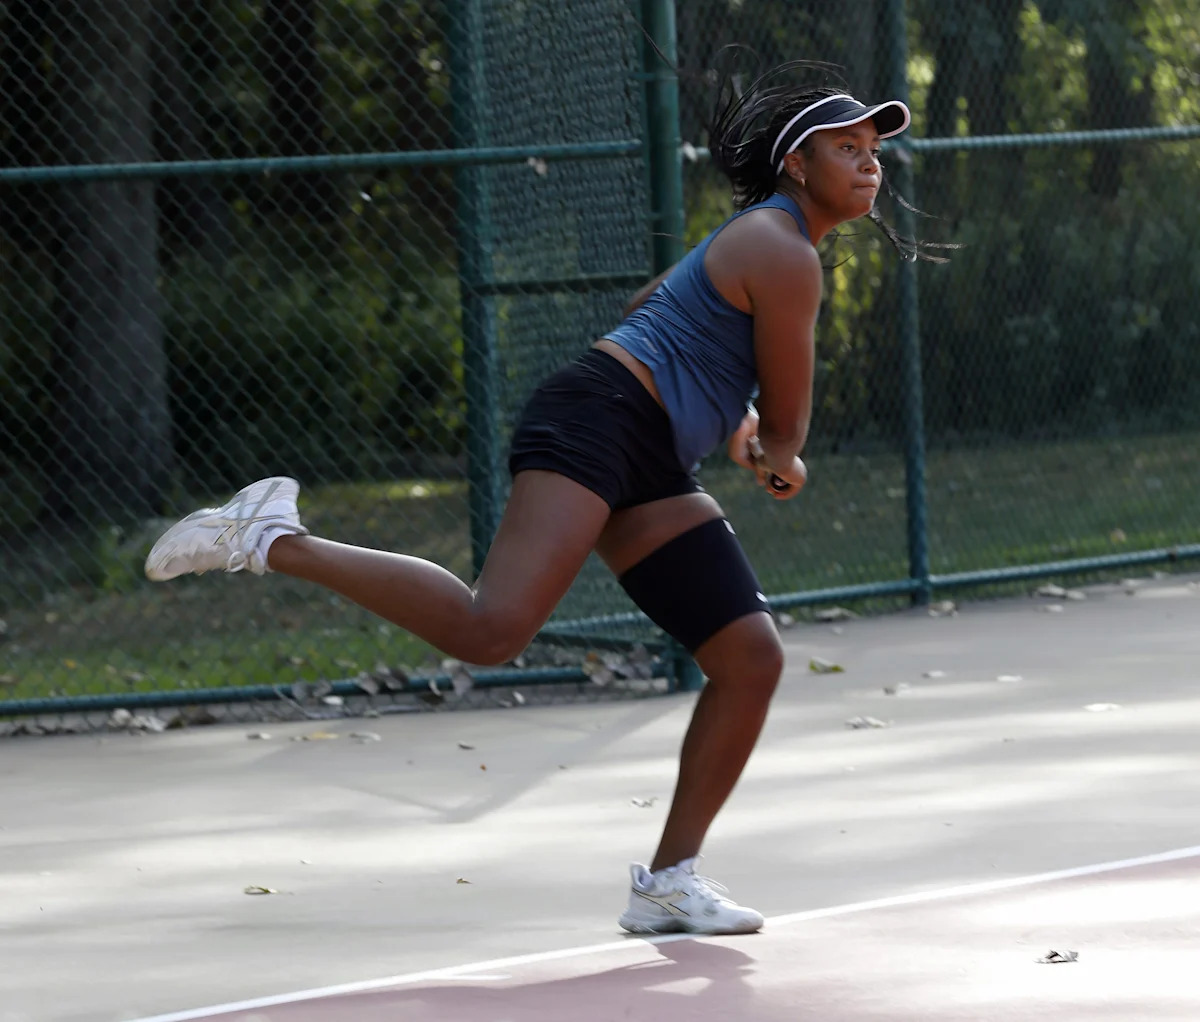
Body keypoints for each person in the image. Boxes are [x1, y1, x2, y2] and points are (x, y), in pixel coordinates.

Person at [145, 60, 914, 936]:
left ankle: (668, 883)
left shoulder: (763, 238)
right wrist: (777, 456)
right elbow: (786, 428)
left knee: (749, 657)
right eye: (845, 147)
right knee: (490, 631)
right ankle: (271, 536)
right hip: (600, 419)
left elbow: (653, 302)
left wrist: (734, 421)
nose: (869, 162)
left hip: (649, 448)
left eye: (873, 149)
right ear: (796, 166)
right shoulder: (785, 251)